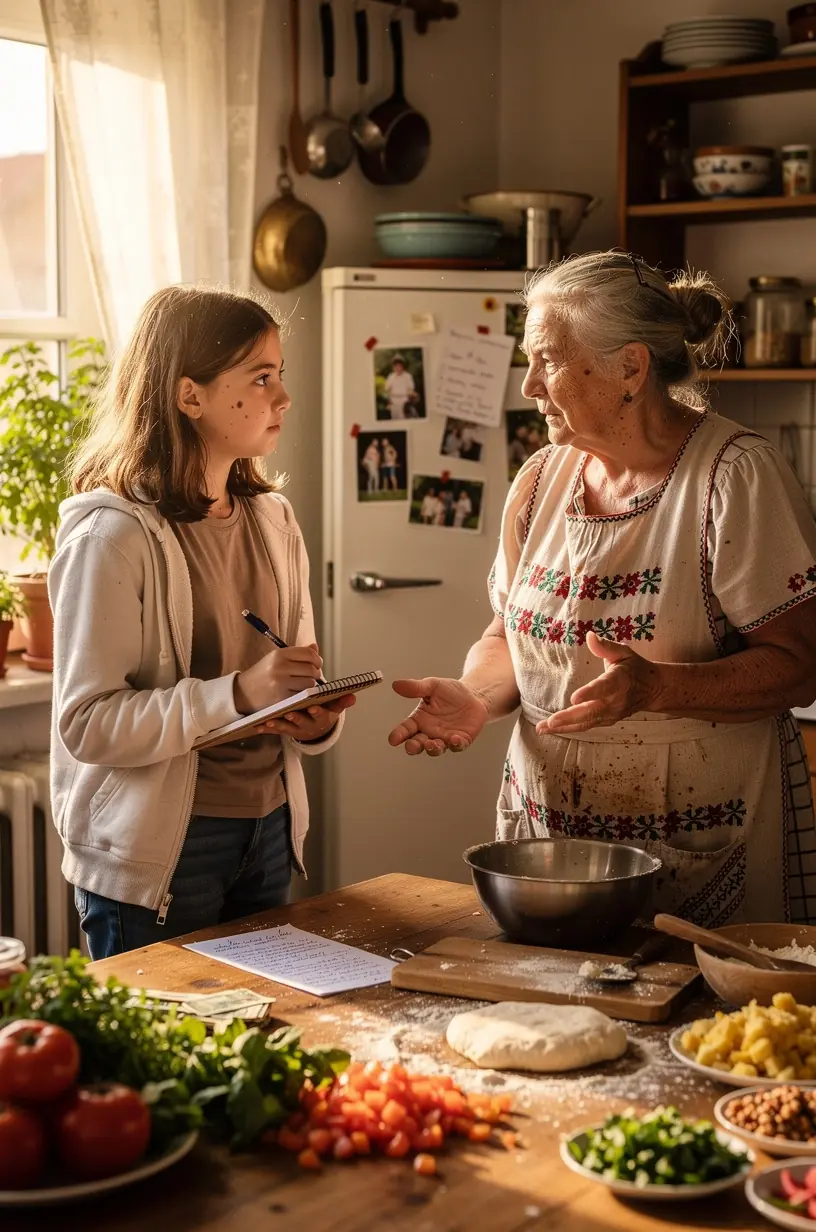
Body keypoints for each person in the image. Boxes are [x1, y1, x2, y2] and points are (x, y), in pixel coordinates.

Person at [389, 250, 816, 928]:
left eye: (548, 361)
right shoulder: (540, 481)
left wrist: (659, 689)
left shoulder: (734, 476)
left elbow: (800, 667)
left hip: (703, 850)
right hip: (550, 847)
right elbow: (510, 633)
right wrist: (475, 697)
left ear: (631, 369)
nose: (529, 386)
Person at [49, 285, 355, 959]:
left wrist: (317, 716)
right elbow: (87, 723)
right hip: (162, 851)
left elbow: (291, 672)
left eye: (280, 376)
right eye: (262, 378)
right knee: (161, 1058)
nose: (283, 398)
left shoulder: (273, 520)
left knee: (258, 1046)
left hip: (269, 831)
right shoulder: (110, 535)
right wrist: (239, 694)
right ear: (191, 396)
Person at [384, 355, 417, 420]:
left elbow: (410, 390)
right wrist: (390, 399)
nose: (398, 367)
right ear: (393, 367)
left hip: (404, 404)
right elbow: (387, 390)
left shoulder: (408, 376)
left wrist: (407, 395)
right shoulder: (391, 376)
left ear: (403, 366)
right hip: (394, 404)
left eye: (400, 365)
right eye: (396, 365)